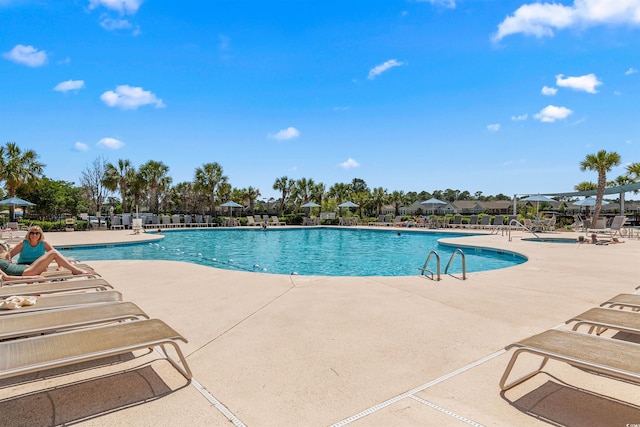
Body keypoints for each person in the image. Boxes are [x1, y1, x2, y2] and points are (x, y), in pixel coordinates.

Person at [0, 241, 88, 279]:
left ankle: (74, 270)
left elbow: (9, 257)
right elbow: (6, 278)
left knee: (53, 253)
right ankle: (75, 270)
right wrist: (31, 277)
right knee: (53, 253)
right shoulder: (24, 243)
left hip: (27, 268)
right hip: (27, 272)